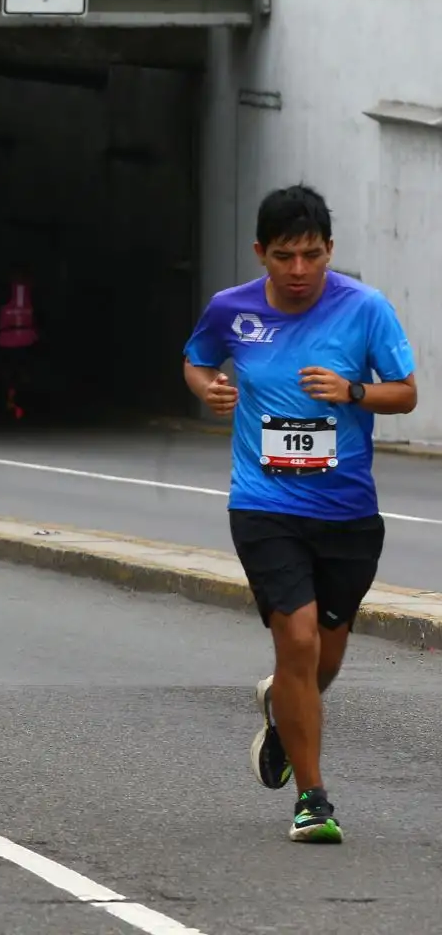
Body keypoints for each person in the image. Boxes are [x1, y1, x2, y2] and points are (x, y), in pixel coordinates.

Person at [182, 185, 417, 844]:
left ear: (329, 251)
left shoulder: (365, 310)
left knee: (324, 661)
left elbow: (406, 394)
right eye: (284, 256)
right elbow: (197, 360)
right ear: (261, 253)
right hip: (264, 504)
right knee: (298, 637)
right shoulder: (231, 311)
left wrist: (354, 391)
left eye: (312, 255)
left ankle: (285, 716)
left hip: (347, 512)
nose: (298, 270)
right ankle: (313, 799)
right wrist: (212, 389)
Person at [0, 268, 41, 421]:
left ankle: (22, 403)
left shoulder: (32, 294)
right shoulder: (4, 293)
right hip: (9, 339)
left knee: (22, 373)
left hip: (25, 339)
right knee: (11, 373)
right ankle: (12, 403)